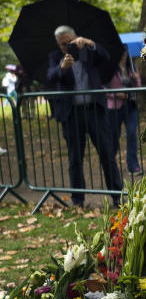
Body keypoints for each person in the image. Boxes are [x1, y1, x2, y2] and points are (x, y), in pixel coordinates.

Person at [45, 25, 123, 207]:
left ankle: (117, 196)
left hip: (95, 110)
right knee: (75, 158)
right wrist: (62, 67)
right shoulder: (56, 57)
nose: (67, 46)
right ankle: (78, 200)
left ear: (76, 38)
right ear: (58, 44)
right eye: (63, 44)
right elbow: (49, 77)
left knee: (107, 153)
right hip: (72, 114)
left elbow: (106, 56)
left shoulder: (88, 51)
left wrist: (90, 43)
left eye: (69, 42)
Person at [106, 50, 142, 175]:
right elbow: (103, 88)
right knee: (114, 137)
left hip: (130, 105)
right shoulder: (109, 68)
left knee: (132, 134)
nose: (123, 55)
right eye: (121, 52)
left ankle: (133, 165)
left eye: (125, 52)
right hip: (114, 108)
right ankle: (110, 166)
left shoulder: (132, 66)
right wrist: (116, 94)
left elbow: (138, 86)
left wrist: (136, 79)